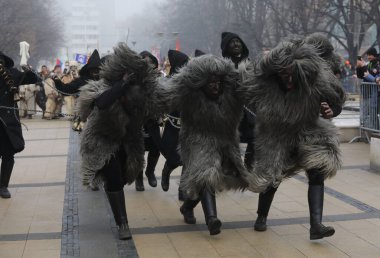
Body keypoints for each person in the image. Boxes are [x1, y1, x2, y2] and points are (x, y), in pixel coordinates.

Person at [249, 35, 345, 240]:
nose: (290, 80)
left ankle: (316, 225)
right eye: (285, 75)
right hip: (278, 136)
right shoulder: (266, 85)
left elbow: (336, 101)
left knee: (317, 172)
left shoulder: (316, 81)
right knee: (272, 177)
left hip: (309, 131)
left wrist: (331, 111)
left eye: (294, 75)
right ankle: (261, 217)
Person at [160, 55, 268, 235]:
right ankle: (212, 219)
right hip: (197, 140)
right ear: (201, 83)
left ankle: (187, 207)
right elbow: (164, 97)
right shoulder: (190, 97)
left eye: (217, 82)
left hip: (225, 143)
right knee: (207, 173)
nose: (214, 86)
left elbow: (253, 90)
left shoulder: (231, 95)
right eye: (210, 83)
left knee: (216, 178)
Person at [77, 43, 159, 240]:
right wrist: (121, 85)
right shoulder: (102, 87)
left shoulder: (143, 90)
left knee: (121, 178)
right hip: (103, 141)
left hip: (128, 142)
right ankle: (123, 223)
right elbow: (103, 103)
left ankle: (114, 189)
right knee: (114, 179)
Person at [0, 51, 38, 198]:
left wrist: (27, 68)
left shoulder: (12, 74)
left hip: (7, 123)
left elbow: (33, 78)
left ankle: (3, 186)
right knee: (8, 155)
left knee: (8, 155)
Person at [220, 32, 255, 170]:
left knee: (254, 137)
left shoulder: (250, 64)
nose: (236, 44)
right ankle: (228, 167)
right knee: (227, 142)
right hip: (229, 112)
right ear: (226, 47)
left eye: (238, 41)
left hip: (249, 111)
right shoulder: (222, 66)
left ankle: (249, 165)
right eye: (232, 42)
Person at [160, 50, 189, 201]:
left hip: (190, 126)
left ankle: (182, 190)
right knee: (173, 157)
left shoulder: (193, 80)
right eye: (184, 63)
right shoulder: (167, 82)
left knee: (188, 159)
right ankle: (166, 171)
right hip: (172, 124)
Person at [134, 51, 162, 191]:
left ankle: (150, 171)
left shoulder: (159, 80)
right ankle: (138, 178)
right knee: (138, 151)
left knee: (156, 148)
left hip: (153, 120)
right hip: (136, 120)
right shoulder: (133, 80)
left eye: (150, 62)